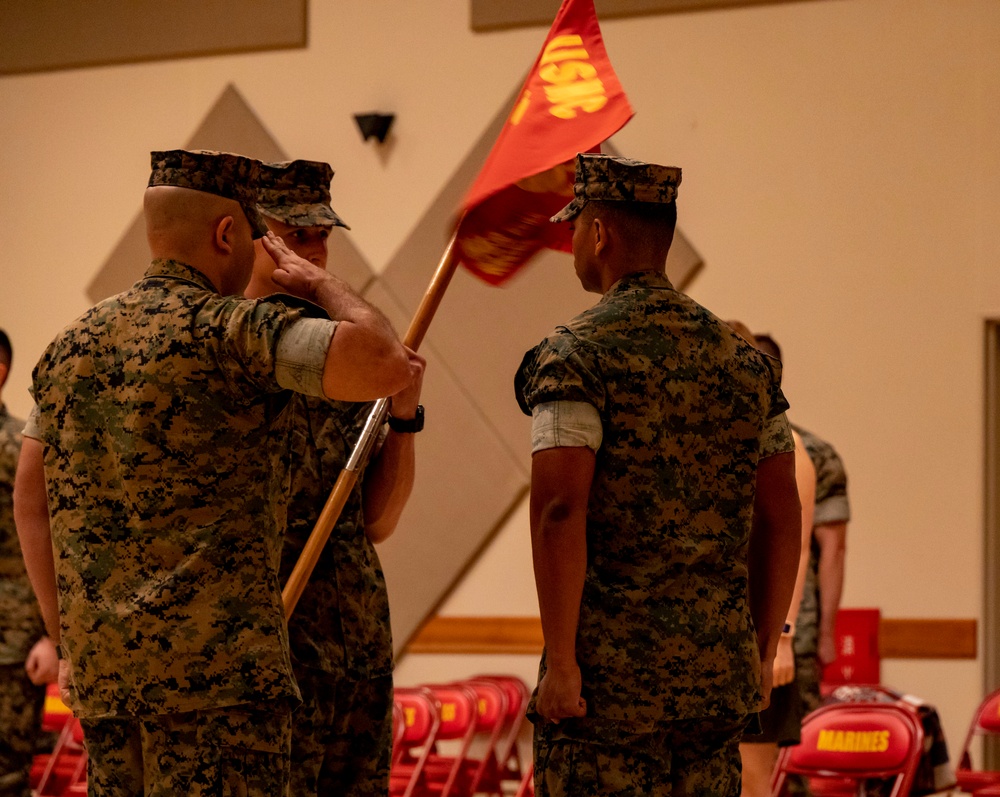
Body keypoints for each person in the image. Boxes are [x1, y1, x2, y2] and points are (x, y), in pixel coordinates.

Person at [13, 149, 414, 796]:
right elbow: (385, 361)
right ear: (230, 235)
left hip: (109, 683)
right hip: (220, 689)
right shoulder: (234, 333)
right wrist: (319, 285)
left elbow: (28, 497)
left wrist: (66, 639)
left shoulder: (70, 345)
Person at [514, 153, 802, 797]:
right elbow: (781, 518)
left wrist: (562, 665)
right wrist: (759, 652)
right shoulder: (745, 365)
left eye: (575, 227)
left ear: (598, 233)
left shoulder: (576, 356)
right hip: (713, 685)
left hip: (607, 692)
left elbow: (560, 512)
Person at [246, 159, 424, 796]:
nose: (315, 252)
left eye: (323, 235)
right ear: (249, 236)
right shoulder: (231, 348)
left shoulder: (343, 359)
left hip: (356, 642)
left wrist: (403, 420)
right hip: (277, 650)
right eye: (295, 235)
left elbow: (377, 520)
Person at [727, 323, 817, 797]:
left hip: (765, 629)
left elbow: (797, 546)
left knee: (754, 782)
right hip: (720, 630)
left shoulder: (791, 446)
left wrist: (782, 637)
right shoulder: (723, 435)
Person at [753, 333, 850, 716]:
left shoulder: (810, 454)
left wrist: (824, 631)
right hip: (751, 626)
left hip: (794, 629)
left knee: (798, 744)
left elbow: (832, 550)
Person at [0, 329, 58, 797]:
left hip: (11, 641)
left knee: (7, 772)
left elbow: (52, 535)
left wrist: (48, 634)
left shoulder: (17, 447)